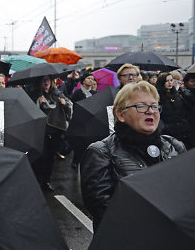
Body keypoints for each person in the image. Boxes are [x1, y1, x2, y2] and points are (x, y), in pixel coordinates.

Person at [80, 81, 186, 230]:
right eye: (141, 106)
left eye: (154, 106)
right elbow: (103, 209)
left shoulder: (174, 146)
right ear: (120, 114)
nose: (151, 111)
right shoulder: (101, 152)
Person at [34, 76, 73, 191]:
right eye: (43, 79)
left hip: (56, 130)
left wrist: (64, 104)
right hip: (41, 131)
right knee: (40, 157)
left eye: (48, 80)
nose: (46, 82)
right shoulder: (36, 95)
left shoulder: (58, 94)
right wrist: (39, 104)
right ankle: (38, 181)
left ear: (51, 82)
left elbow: (69, 109)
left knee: (50, 158)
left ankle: (46, 181)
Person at [155, 72, 190, 146]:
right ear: (162, 82)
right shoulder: (157, 96)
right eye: (167, 81)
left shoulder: (176, 94)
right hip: (167, 131)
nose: (170, 83)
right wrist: (165, 127)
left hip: (181, 130)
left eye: (171, 80)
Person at [181, 70, 195, 149]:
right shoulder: (183, 95)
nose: (194, 83)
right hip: (187, 129)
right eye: (192, 81)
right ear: (186, 82)